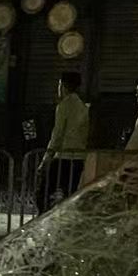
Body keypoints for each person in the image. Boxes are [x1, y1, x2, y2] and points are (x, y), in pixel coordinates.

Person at [40, 71, 90, 208]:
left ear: (62, 85)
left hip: (63, 157)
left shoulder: (64, 106)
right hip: (78, 157)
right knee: (71, 195)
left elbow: (57, 134)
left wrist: (46, 157)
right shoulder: (83, 107)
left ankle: (44, 220)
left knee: (43, 193)